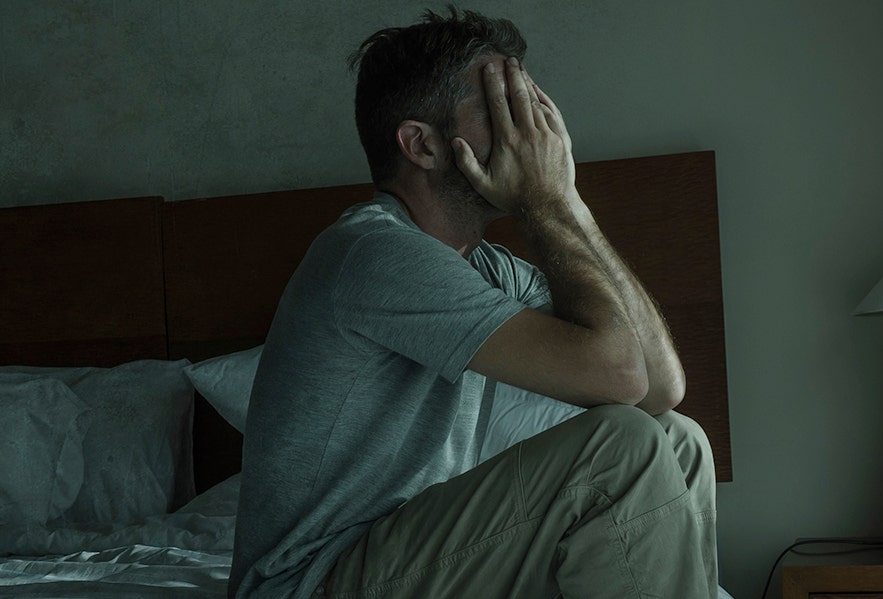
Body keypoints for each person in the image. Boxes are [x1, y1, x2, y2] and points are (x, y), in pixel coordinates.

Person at [229, 7, 717, 599]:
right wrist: (547, 203)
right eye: (501, 109)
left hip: (412, 559)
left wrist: (568, 201)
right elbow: (617, 377)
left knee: (677, 439)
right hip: (312, 581)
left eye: (529, 106)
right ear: (422, 146)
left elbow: (658, 387)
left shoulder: (483, 267)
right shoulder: (373, 253)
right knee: (623, 448)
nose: (532, 132)